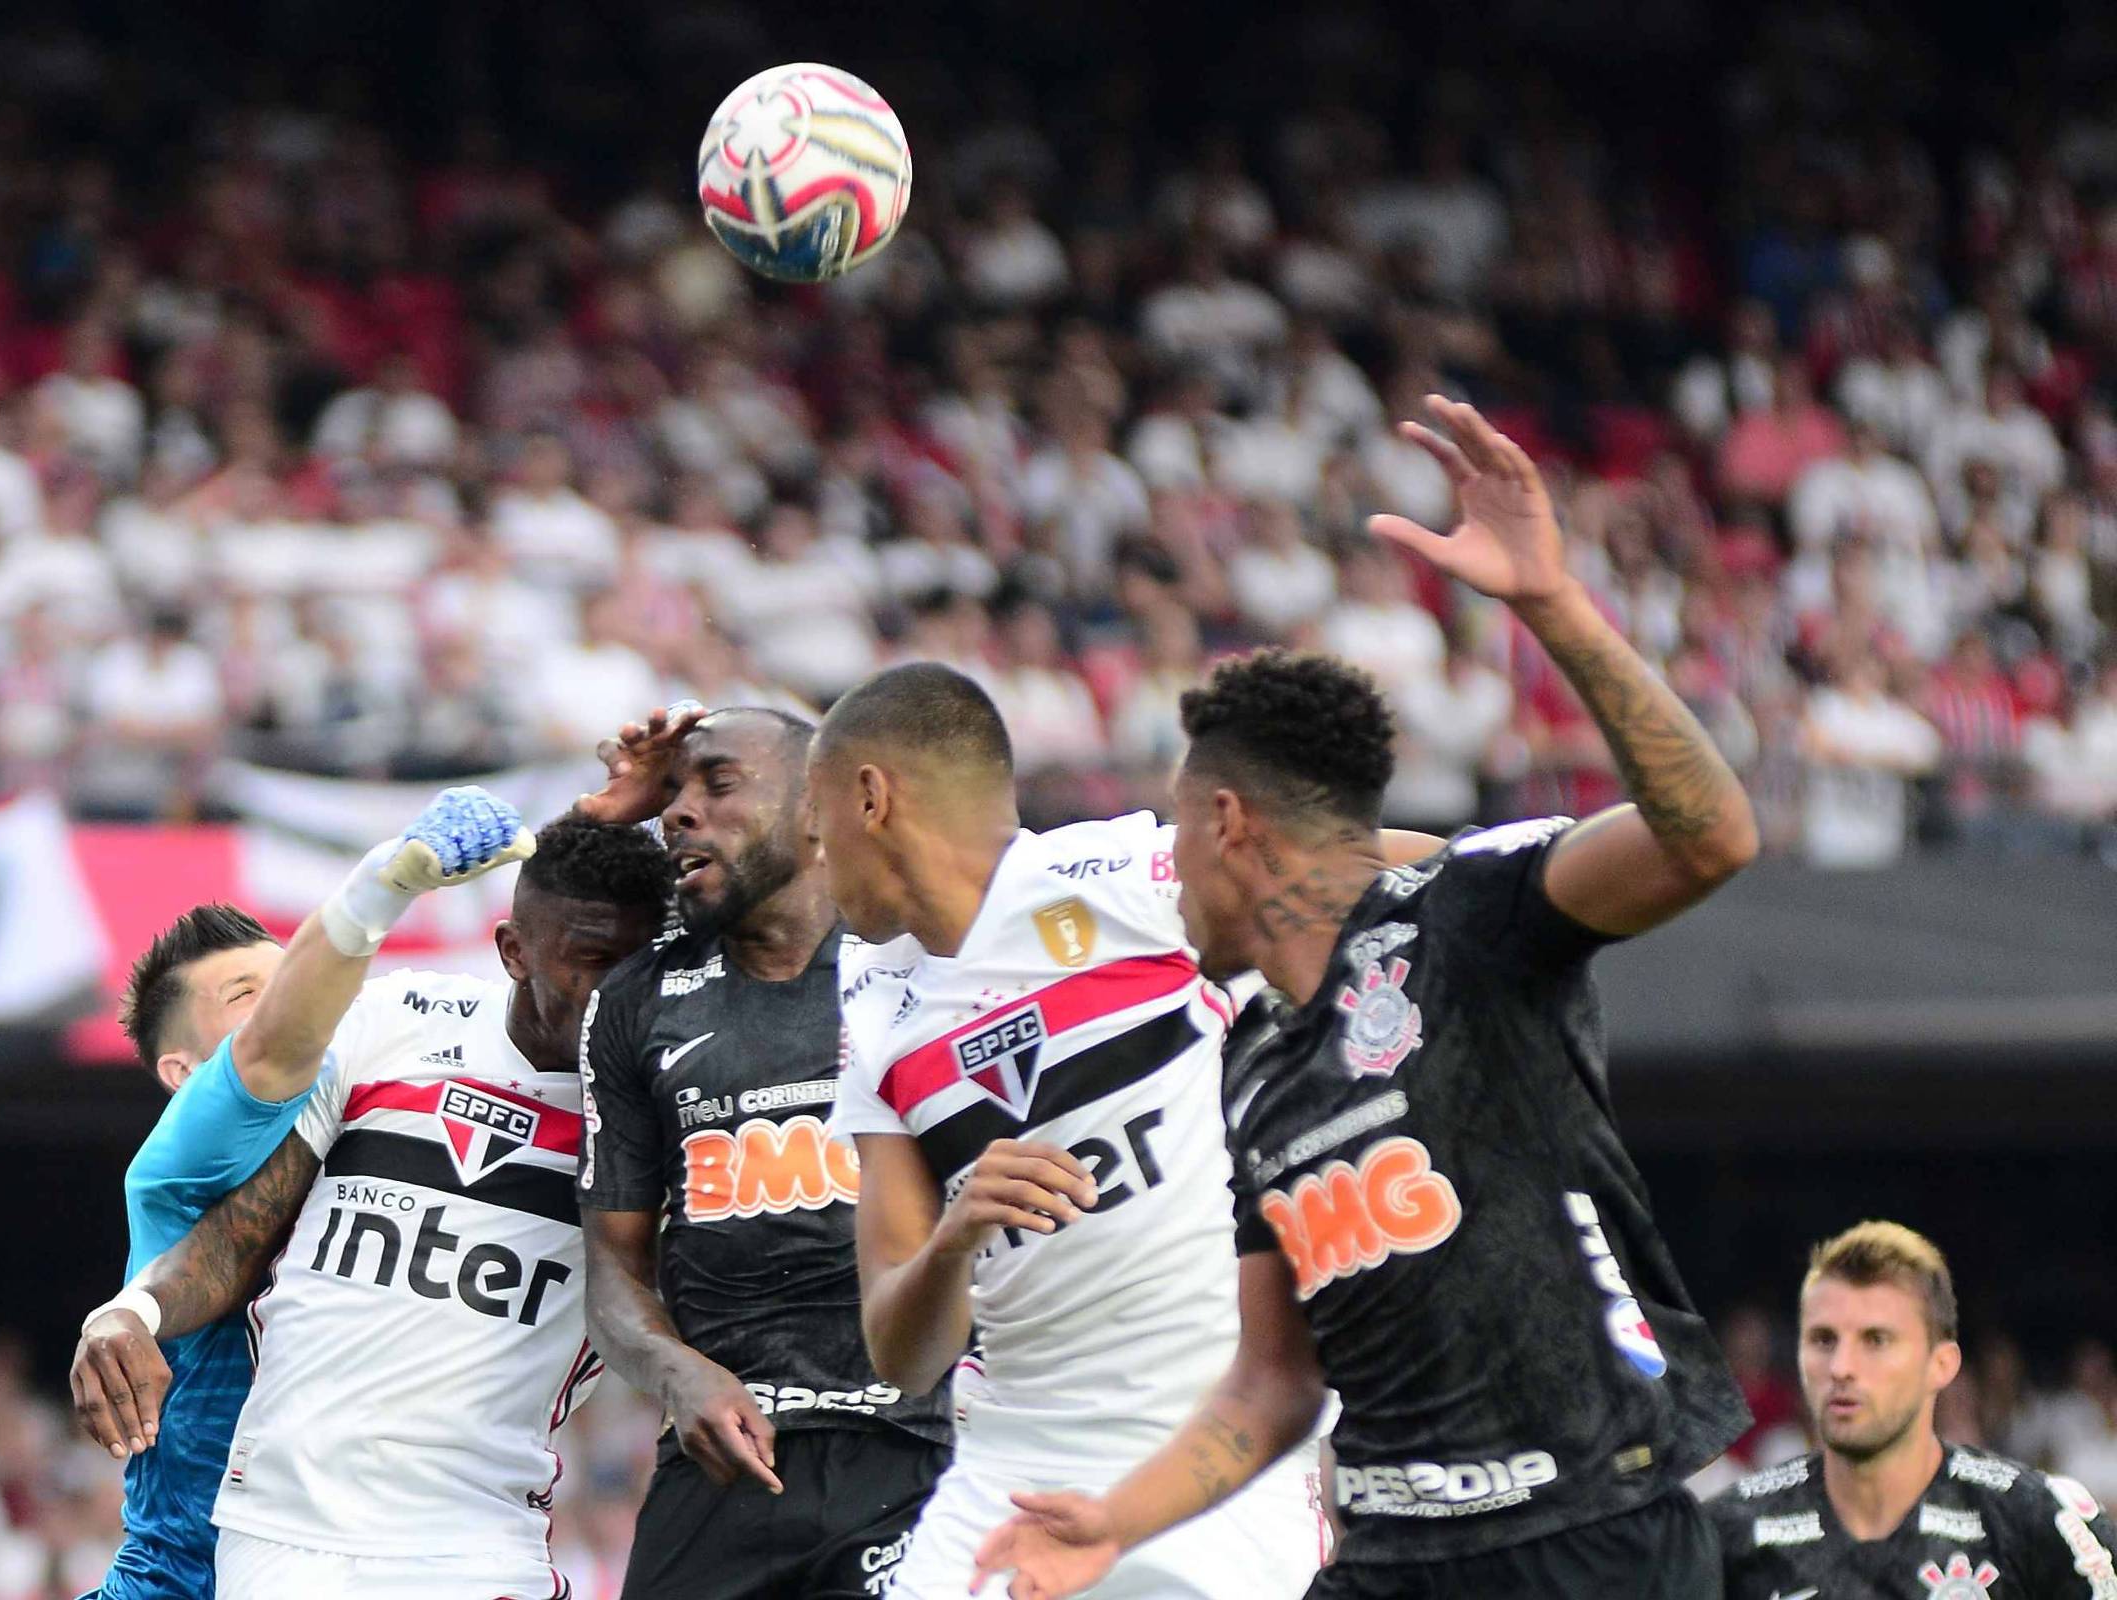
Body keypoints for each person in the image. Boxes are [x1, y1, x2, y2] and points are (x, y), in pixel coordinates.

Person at [973, 397, 1759, 1599]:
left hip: (1590, 1536)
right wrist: (1112, 1523)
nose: (1166, 868)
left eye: (1179, 826)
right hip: (1392, 1557)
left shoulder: (1468, 912)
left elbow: (1708, 837)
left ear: (1229, 824)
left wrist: (1551, 604)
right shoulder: (1249, 1060)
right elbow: (1269, 1385)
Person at [809, 667, 1447, 1599]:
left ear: (869, 798)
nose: (816, 856)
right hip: (1009, 1470)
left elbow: (1420, 867)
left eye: (816, 821)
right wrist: (956, 1234)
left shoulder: (1123, 877)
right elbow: (900, 1355)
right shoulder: (868, 996)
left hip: (1215, 1451)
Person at [70, 812, 666, 1600]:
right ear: (184, 1069)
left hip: (471, 1546)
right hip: (224, 1564)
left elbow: (579, 885)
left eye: (301, 978)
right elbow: (269, 1066)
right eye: (263, 992)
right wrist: (126, 1313)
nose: (311, 1005)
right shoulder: (177, 1173)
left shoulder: (643, 1101)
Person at [571, 704, 954, 1600]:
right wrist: (679, 1375)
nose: (678, 811)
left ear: (819, 807)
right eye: (673, 794)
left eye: (719, 783)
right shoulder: (636, 1002)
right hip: (724, 1464)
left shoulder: (928, 967)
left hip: (919, 1454)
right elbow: (614, 1274)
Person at [1709, 1221, 2117, 1599]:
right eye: (1823, 1340)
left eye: (1876, 1340)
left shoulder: (2035, 1522)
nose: (1841, 1367)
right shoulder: (1726, 1533)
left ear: (1940, 1366)